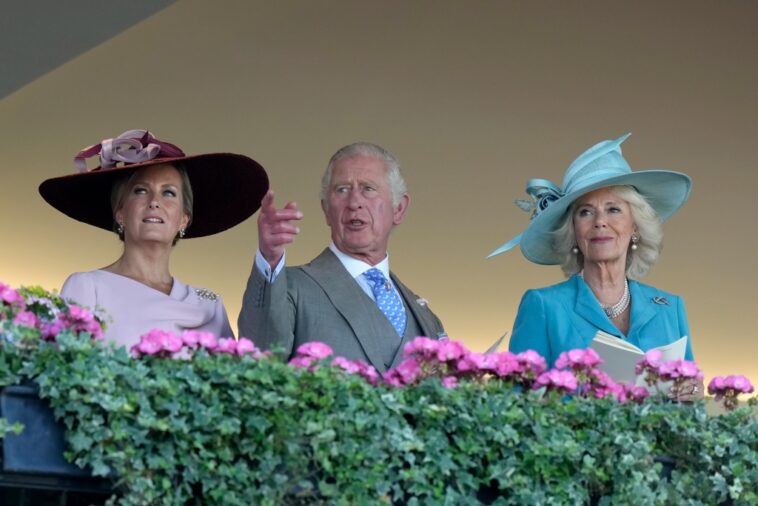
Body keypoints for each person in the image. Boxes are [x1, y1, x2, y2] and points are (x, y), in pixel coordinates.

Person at [489, 133, 702, 400]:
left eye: (613, 209)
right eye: (586, 212)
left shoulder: (671, 309)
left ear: (634, 226)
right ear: (574, 231)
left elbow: (692, 414)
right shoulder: (543, 306)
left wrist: (691, 394)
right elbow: (519, 406)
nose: (600, 221)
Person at [38, 129, 268, 348]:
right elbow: (63, 372)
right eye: (140, 190)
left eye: (169, 192)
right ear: (120, 213)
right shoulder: (87, 287)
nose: (154, 201)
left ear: (183, 220)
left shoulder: (210, 304)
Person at [238, 142, 445, 373]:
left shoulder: (424, 315)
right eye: (342, 190)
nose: (354, 202)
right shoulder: (290, 287)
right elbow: (259, 357)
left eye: (368, 188)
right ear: (327, 209)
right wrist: (270, 259)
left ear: (398, 209)